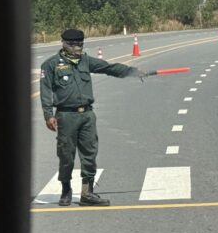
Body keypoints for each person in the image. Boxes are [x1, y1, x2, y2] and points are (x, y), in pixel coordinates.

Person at [40, 29, 143, 206]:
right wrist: (48, 115)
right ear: (64, 43)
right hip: (66, 116)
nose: (77, 48)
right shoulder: (51, 65)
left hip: (87, 115)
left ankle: (87, 193)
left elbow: (108, 68)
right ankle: (66, 190)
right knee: (66, 155)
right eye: (73, 45)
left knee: (89, 154)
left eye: (80, 44)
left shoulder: (85, 61)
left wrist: (132, 71)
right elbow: (45, 91)